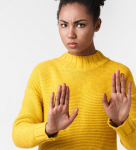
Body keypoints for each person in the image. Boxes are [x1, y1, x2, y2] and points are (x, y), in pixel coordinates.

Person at [12, 0, 136, 149]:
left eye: (80, 24)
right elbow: (18, 135)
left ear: (97, 25)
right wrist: (48, 129)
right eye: (64, 24)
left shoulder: (118, 75)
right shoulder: (43, 72)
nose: (70, 34)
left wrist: (122, 123)